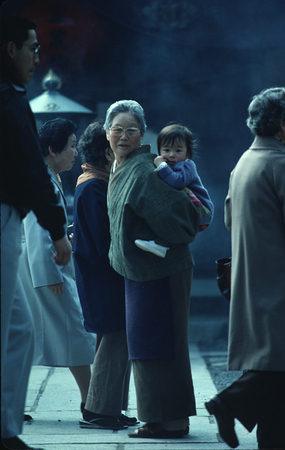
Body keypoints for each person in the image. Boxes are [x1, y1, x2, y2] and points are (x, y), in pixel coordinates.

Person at [105, 100, 211, 439]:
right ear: (107, 133)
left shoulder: (143, 169)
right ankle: (162, 418)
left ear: (141, 135)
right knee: (147, 344)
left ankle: (170, 421)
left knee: (160, 344)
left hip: (161, 268)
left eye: (131, 130)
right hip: (142, 269)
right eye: (118, 129)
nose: (124, 135)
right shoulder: (120, 166)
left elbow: (180, 218)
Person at [205, 87, 285, 450]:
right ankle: (227, 403)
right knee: (277, 360)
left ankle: (279, 437)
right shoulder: (284, 163)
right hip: (281, 280)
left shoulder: (244, 162)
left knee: (278, 360)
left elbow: (230, 219)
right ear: (281, 123)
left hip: (251, 274)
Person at [1, 14, 71, 450]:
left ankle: (7, 428)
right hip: (4, 214)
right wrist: (57, 229)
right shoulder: (8, 101)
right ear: (11, 49)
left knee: (20, 329)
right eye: (32, 47)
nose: (36, 57)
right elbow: (31, 168)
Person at [18, 118, 95, 415]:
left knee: (30, 338)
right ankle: (92, 403)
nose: (76, 152)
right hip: (44, 270)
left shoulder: (48, 176)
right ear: (53, 149)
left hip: (39, 269)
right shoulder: (41, 179)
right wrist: (50, 276)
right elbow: (37, 234)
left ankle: (10, 404)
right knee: (75, 331)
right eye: (72, 146)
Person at [72, 121, 138, 430]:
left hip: (100, 276)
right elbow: (103, 239)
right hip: (102, 277)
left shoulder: (93, 181)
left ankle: (107, 408)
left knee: (112, 342)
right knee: (114, 342)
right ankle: (99, 409)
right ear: (103, 152)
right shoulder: (94, 185)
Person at [134, 123, 214, 257]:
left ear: (187, 153)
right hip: (189, 210)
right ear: (159, 151)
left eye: (178, 151)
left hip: (202, 210)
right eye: (166, 150)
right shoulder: (170, 166)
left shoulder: (187, 165)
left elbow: (177, 182)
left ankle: (161, 244)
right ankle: (162, 243)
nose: (171, 155)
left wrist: (161, 166)